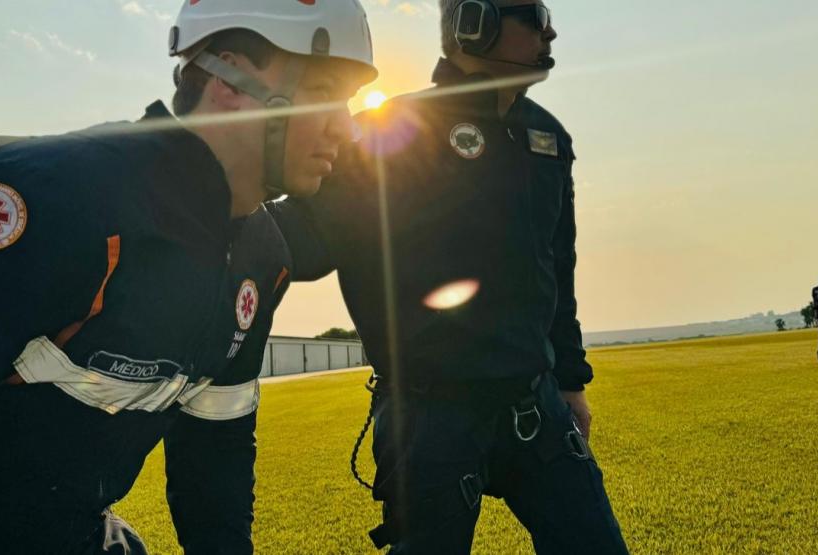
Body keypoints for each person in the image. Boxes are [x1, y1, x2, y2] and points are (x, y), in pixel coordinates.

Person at [0, 1, 377, 552]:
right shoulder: (64, 199)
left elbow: (214, 460)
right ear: (229, 80)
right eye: (324, 92)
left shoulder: (263, 256)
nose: (346, 129)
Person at [269, 1, 629, 552]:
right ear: (474, 24)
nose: (550, 31)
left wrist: (571, 382)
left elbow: (558, 270)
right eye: (534, 16)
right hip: (429, 418)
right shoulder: (387, 133)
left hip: (534, 404)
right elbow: (299, 238)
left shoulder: (547, 139)